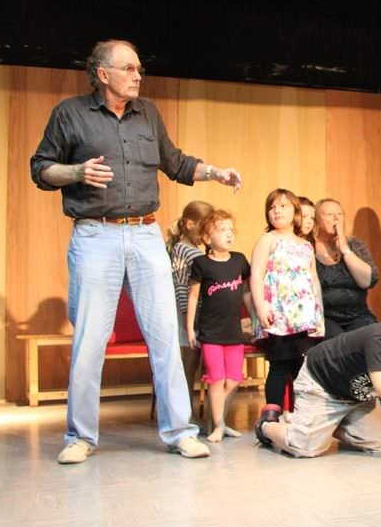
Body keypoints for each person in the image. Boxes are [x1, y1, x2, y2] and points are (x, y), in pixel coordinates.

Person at [30, 39, 242, 464]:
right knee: (90, 340)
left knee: (166, 335)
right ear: (102, 73)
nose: (137, 75)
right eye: (128, 68)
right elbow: (41, 169)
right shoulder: (70, 113)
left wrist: (215, 172)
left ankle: (180, 431)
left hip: (145, 234)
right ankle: (80, 437)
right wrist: (76, 172)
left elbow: (176, 162)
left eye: (139, 68)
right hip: (96, 234)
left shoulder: (148, 113)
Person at [255, 284, 381, 457]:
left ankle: (321, 426)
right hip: (322, 385)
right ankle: (266, 425)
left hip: (357, 394)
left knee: (375, 442)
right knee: (305, 447)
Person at [250, 188, 325, 409]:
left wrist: (319, 314)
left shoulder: (306, 245)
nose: (277, 211)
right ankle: (272, 414)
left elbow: (313, 279)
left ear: (295, 212)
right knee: (279, 365)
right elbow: (256, 274)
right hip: (279, 316)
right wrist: (260, 307)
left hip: (303, 317)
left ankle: (299, 413)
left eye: (283, 206)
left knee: (302, 367)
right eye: (272, 207)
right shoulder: (268, 239)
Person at [186, 209, 256, 442]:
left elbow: (246, 292)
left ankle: (219, 421)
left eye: (231, 230)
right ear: (207, 238)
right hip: (211, 333)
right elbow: (193, 297)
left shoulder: (239, 260)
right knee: (216, 379)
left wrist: (254, 318)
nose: (229, 234)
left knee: (234, 379)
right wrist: (190, 329)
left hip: (233, 333)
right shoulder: (201, 264)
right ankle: (218, 425)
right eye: (222, 230)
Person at [168, 199, 214, 416]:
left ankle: (187, 413)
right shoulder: (186, 251)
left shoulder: (189, 250)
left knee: (191, 366)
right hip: (187, 317)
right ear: (190, 225)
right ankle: (184, 414)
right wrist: (190, 319)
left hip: (192, 316)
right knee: (187, 366)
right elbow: (181, 287)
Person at [314, 198, 380, 339]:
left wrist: (345, 250)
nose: (336, 218)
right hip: (325, 317)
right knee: (340, 342)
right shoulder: (308, 247)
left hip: (358, 315)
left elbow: (368, 281)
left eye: (340, 214)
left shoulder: (354, 245)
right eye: (329, 214)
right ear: (317, 220)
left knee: (371, 338)